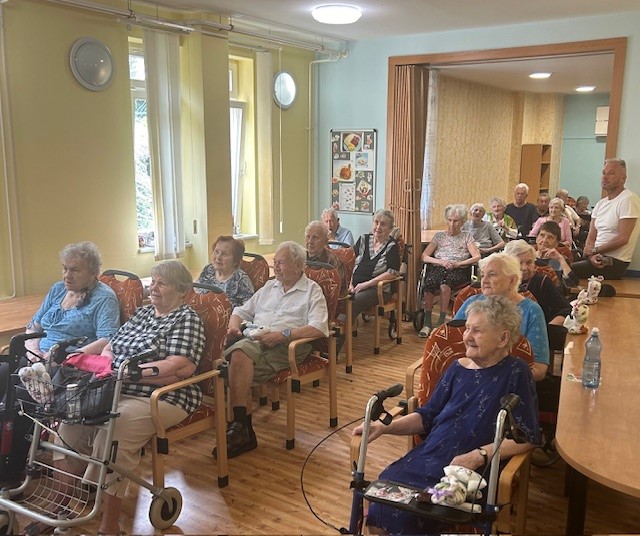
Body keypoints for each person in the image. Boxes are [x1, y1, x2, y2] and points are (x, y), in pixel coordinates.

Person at [354, 295, 539, 535]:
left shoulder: (516, 372)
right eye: (467, 328)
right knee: (381, 500)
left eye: (477, 331)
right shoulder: (457, 368)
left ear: (503, 338)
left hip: (470, 472)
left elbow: (527, 438)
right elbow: (426, 416)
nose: (467, 336)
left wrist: (479, 455)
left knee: (414, 516)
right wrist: (384, 427)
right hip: (430, 454)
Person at [50, 260, 206, 536]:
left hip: (163, 396)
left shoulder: (187, 318)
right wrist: (109, 366)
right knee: (69, 423)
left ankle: (109, 525)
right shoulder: (142, 313)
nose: (153, 288)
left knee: (114, 432)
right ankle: (58, 508)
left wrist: (129, 374)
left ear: (182, 291)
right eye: (153, 282)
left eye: (162, 283)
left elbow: (179, 368)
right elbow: (110, 347)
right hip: (114, 388)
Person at [0, 241, 120, 486]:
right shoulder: (57, 290)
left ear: (93, 272)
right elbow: (34, 326)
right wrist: (35, 351)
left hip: (68, 366)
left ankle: (11, 471)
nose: (67, 275)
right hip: (36, 359)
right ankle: (10, 453)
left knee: (20, 397)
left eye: (74, 270)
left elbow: (107, 338)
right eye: (65, 268)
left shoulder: (104, 298)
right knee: (3, 376)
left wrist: (65, 357)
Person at [221, 242, 329, 458]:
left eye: (281, 263)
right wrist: (233, 327)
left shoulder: (312, 291)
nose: (275, 267)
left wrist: (283, 335)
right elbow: (241, 310)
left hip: (287, 346)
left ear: (298, 265)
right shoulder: (270, 286)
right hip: (255, 338)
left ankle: (240, 427)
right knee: (238, 360)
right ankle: (243, 429)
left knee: (232, 366)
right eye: (275, 262)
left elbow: (319, 327)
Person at [454, 252, 549, 381]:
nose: (484, 280)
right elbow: (451, 345)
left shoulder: (531, 311)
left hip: (510, 384)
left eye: (492, 274)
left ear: (512, 280)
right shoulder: (471, 303)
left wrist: (494, 378)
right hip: (466, 377)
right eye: (483, 275)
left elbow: (539, 369)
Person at [572, 158, 640, 280]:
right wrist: (591, 254)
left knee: (567, 271)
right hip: (596, 255)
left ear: (623, 178)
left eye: (611, 173)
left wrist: (594, 251)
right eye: (604, 173)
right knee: (559, 262)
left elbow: (623, 238)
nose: (605, 177)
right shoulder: (600, 204)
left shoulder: (628, 200)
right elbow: (591, 236)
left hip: (614, 261)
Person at [420, 204, 480, 337]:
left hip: (458, 270)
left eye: (456, 221)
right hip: (438, 267)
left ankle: (441, 321)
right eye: (450, 220)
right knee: (429, 283)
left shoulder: (467, 237)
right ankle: (427, 322)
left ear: (463, 222)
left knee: (445, 285)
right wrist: (441, 261)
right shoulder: (439, 236)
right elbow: (424, 256)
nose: (452, 224)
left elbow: (477, 256)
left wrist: (459, 263)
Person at [348, 209, 401, 328]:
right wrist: (350, 284)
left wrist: (366, 284)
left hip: (377, 289)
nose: (378, 227)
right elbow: (349, 263)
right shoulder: (363, 239)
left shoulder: (392, 245)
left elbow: (392, 273)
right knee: (337, 298)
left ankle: (341, 335)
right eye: (376, 222)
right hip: (354, 285)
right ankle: (335, 332)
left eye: (383, 224)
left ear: (390, 229)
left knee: (353, 301)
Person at [504, 240, 572, 325]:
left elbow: (566, 309)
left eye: (529, 262)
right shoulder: (500, 285)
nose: (524, 268)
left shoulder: (542, 282)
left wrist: (547, 328)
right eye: (519, 263)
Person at [195, 235, 254, 307]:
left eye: (225, 254)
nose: (218, 257)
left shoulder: (241, 280)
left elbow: (248, 309)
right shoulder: (209, 269)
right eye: (216, 252)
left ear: (235, 260)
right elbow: (195, 291)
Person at [305, 220, 348, 294]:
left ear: (325, 241)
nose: (310, 241)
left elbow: (339, 292)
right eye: (308, 236)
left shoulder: (333, 262)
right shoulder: (298, 258)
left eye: (315, 237)